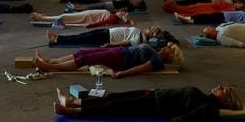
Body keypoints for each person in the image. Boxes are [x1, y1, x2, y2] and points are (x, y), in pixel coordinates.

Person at [54, 85, 244, 122]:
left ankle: (72, 112)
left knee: (113, 107)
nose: (219, 86)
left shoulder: (206, 107)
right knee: (111, 96)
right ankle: (73, 101)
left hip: (154, 106)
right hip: (153, 95)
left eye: (223, 90)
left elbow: (188, 118)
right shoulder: (204, 97)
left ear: (224, 101)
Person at [33, 43, 184, 77]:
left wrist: (122, 73)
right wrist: (112, 45)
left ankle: (49, 67)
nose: (165, 47)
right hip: (119, 51)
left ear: (171, 56)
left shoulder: (157, 61)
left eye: (169, 48)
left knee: (87, 59)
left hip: (121, 58)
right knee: (83, 52)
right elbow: (133, 45)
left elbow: (142, 68)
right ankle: (51, 61)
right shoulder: (155, 50)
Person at [47, 24, 165, 47]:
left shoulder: (140, 39)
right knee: (83, 35)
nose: (149, 27)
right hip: (108, 32)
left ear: (152, 34)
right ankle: (59, 38)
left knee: (81, 39)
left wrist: (111, 45)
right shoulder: (140, 32)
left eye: (151, 29)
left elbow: (127, 43)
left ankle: (58, 39)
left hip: (108, 38)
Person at [31, 8, 130, 26]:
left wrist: (90, 25)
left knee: (64, 17)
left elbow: (102, 23)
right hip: (87, 14)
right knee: (65, 16)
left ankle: (42, 18)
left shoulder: (113, 18)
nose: (120, 11)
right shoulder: (113, 15)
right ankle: (46, 17)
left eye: (122, 13)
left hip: (86, 17)